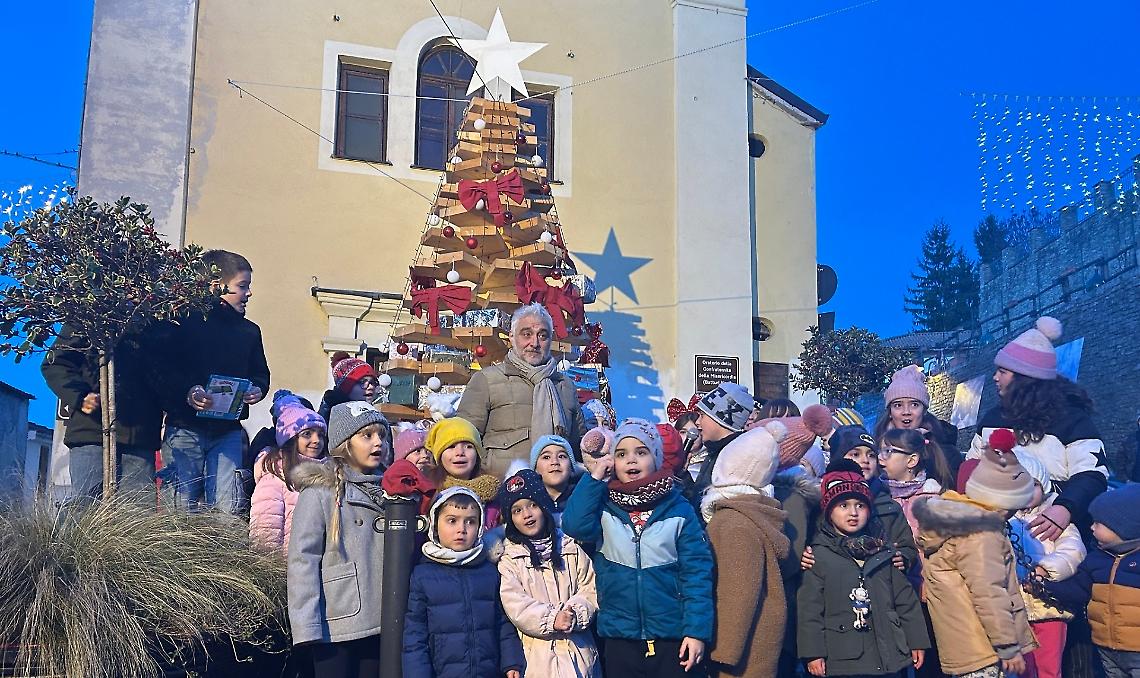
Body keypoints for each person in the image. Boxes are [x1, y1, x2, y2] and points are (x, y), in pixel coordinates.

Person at [563, 418, 713, 677]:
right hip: (621, 636)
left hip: (672, 635)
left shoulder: (679, 511)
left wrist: (696, 631)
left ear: (655, 458)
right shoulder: (603, 508)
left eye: (641, 452)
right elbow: (574, 524)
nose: (631, 460)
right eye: (621, 454)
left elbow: (697, 575)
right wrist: (596, 477)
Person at [913, 429, 1039, 678]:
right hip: (986, 647)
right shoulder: (982, 534)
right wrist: (1008, 646)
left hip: (965, 646)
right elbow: (988, 593)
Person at [968, 317, 1108, 539]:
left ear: (1024, 378)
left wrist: (1065, 508)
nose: (994, 378)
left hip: (1054, 532)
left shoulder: (1073, 420)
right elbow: (972, 466)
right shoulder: (992, 419)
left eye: (1002, 371)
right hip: (994, 529)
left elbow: (1092, 475)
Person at [155, 250, 270, 513]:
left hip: (228, 431)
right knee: (180, 509)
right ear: (217, 286)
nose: (248, 294)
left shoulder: (249, 331)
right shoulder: (182, 323)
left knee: (227, 508)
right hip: (185, 429)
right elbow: (164, 370)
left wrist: (257, 389)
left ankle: (223, 554)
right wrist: (188, 392)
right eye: (242, 286)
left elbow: (260, 373)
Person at [797, 459, 930, 678]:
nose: (853, 513)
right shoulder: (818, 556)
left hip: (888, 656)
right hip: (843, 658)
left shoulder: (883, 551)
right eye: (843, 505)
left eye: (860, 505)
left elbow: (906, 601)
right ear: (829, 512)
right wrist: (813, 654)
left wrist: (916, 640)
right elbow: (809, 611)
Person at [288, 402, 388, 676]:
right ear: (345, 442)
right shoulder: (321, 492)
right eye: (367, 436)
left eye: (381, 435)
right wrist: (306, 626)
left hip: (384, 621)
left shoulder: (391, 489)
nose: (377, 442)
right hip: (338, 622)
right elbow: (302, 560)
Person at [403, 487, 526, 678]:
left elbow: (503, 622)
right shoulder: (422, 575)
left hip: (488, 671)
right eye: (452, 521)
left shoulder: (488, 571)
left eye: (470, 521)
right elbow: (414, 635)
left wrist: (511, 662)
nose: (462, 529)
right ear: (435, 524)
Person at [702, 421, 791, 678]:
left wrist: (722, 652)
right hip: (756, 644)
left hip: (738, 655)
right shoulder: (752, 514)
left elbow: (738, 593)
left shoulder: (734, 523)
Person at [457, 304, 586, 477]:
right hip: (501, 490)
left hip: (556, 493)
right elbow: (463, 439)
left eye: (543, 336)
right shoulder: (487, 380)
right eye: (526, 334)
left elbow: (578, 446)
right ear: (512, 337)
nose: (534, 343)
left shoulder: (564, 386)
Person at [41, 323, 165, 503]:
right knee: (87, 512)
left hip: (140, 439)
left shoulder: (156, 322)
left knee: (138, 519)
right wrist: (80, 396)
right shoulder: (88, 314)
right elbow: (55, 363)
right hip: (92, 433)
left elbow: (168, 371)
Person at [497, 469, 600, 677]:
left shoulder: (570, 548)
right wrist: (551, 618)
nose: (527, 515)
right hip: (537, 661)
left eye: (532, 505)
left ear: (544, 507)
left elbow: (591, 588)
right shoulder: (510, 559)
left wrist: (575, 613)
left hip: (580, 656)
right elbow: (515, 603)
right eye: (517, 511)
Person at [1046, 484, 1140, 678]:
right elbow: (1078, 589)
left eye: (1098, 523)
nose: (1091, 527)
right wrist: (1045, 587)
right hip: (1106, 647)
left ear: (1122, 526)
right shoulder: (1096, 559)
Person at [1006, 451, 1086, 678]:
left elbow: (1073, 551)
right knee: (1018, 667)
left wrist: (1046, 568)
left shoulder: (1054, 518)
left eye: (1033, 485)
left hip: (1048, 606)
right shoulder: (1003, 520)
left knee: (1048, 666)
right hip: (1013, 609)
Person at [801, 426, 918, 575]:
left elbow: (907, 547)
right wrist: (803, 554)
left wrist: (904, 558)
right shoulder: (818, 503)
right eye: (855, 454)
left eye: (871, 455)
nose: (865, 460)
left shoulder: (888, 506)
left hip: (881, 585)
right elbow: (806, 541)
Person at [249, 396, 326, 551]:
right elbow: (266, 530)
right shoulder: (274, 477)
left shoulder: (327, 475)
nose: (316, 440)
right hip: (285, 568)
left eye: (320, 434)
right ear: (290, 438)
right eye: (307, 434)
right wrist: (271, 569)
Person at [874, 365, 962, 478]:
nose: (906, 412)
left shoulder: (947, 454)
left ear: (924, 410)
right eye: (898, 405)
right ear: (890, 412)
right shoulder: (875, 453)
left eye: (914, 404)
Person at [426, 417, 502, 528]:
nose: (460, 453)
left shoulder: (495, 495)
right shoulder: (428, 493)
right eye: (451, 446)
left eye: (468, 446)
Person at [691, 382, 755, 499]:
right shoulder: (714, 451)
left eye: (702, 415)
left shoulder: (733, 460)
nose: (697, 422)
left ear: (720, 419)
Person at [530, 434, 581, 522]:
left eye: (561, 456)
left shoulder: (582, 496)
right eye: (546, 457)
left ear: (571, 467)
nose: (555, 462)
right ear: (535, 468)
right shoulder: (529, 501)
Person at [318, 352, 379, 423]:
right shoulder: (330, 416)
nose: (371, 387)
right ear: (346, 387)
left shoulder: (373, 413)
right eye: (362, 382)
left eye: (373, 382)